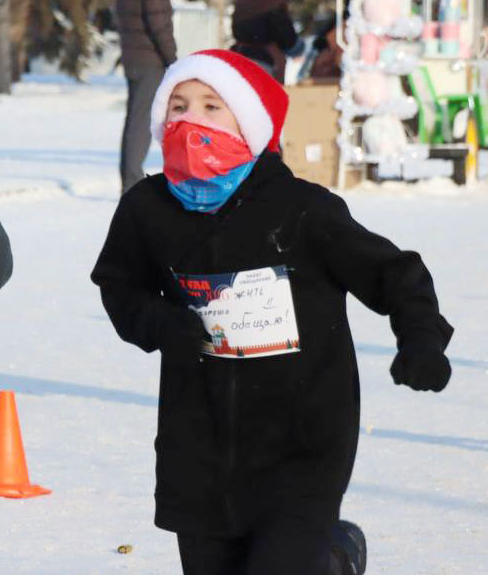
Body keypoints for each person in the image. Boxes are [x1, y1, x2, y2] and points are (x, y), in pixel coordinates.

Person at [91, 49, 453, 575]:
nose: (191, 120)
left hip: (301, 441)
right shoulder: (148, 208)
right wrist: (159, 322)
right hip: (198, 443)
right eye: (178, 106)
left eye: (212, 106)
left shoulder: (301, 209)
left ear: (249, 124)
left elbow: (395, 273)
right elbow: (119, 283)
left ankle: (331, 559)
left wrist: (421, 339)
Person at [115, 0, 177, 193]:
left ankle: (129, 178)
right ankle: (132, 182)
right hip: (150, 60)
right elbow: (159, 24)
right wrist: (172, 59)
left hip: (132, 56)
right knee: (141, 123)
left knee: (134, 120)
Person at [231, 0, 299, 82]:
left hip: (237, 58)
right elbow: (287, 39)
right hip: (264, 63)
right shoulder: (273, 0)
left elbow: (237, 31)